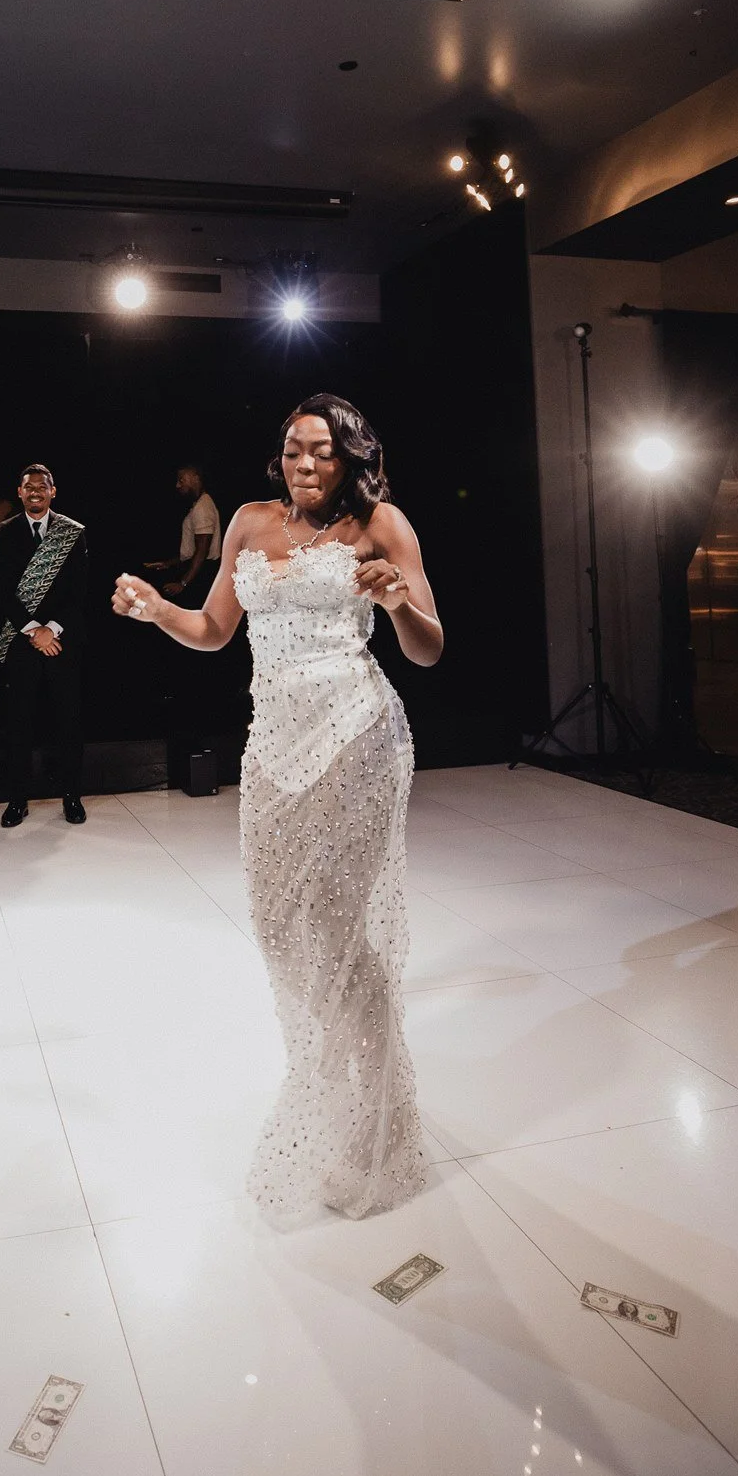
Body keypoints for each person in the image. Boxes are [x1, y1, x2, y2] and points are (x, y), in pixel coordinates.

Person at [113, 393, 443, 1225]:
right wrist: (156, 611)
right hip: (272, 743)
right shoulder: (249, 523)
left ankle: (373, 1114)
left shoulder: (381, 524)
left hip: (358, 734)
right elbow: (212, 630)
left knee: (337, 927)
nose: (304, 464)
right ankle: (331, 1075)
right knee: (276, 923)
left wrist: (397, 601)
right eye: (294, 449)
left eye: (321, 452)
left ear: (349, 458)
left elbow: (427, 647)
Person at [0, 464, 88, 827]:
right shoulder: (6, 531)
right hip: (23, 641)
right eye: (29, 487)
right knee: (19, 723)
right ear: (20, 492)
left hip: (62, 642)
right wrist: (34, 631)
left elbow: (79, 590)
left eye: (42, 486)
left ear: (53, 491)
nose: (35, 491)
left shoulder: (72, 532)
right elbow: (3, 590)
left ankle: (72, 797)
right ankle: (18, 800)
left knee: (68, 721)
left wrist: (52, 629)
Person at [145, 462, 222, 603]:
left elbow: (202, 551)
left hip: (201, 575)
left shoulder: (202, 508)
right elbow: (192, 552)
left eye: (181, 480)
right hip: (197, 571)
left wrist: (183, 583)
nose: (177, 485)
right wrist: (167, 563)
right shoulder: (199, 504)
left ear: (196, 478)